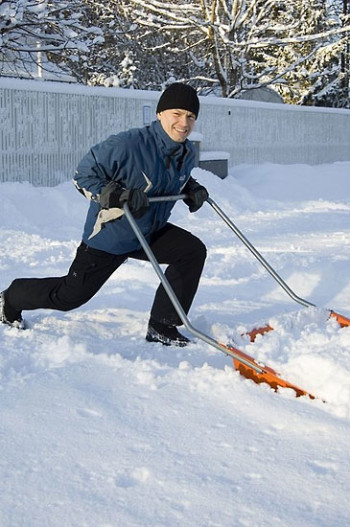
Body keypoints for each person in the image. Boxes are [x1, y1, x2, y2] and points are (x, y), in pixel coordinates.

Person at [0, 83, 209, 346]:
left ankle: (162, 325)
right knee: (69, 297)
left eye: (190, 116)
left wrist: (191, 187)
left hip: (147, 231)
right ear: (160, 114)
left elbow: (173, 177)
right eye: (176, 114)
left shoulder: (186, 152)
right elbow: (83, 176)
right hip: (111, 236)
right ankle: (11, 297)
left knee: (191, 251)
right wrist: (115, 194)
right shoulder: (127, 145)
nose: (184, 122)